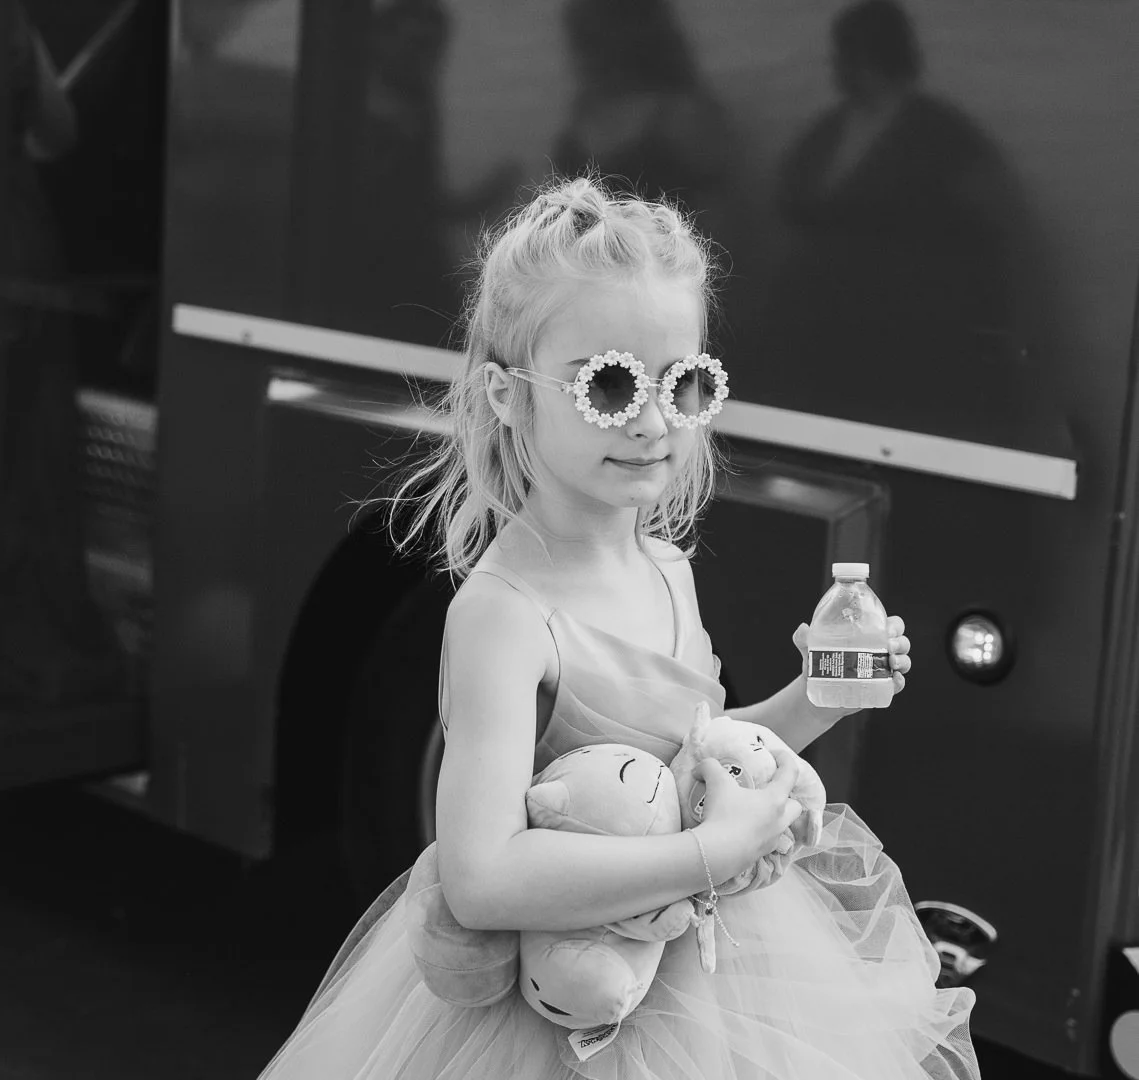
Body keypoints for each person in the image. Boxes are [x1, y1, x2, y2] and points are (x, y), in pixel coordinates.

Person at [258, 176, 980, 1079]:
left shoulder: (663, 565)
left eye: (684, 384)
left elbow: (698, 757)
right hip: (557, 1011)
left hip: (704, 966)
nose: (652, 422)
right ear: (505, 396)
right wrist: (709, 852)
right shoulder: (502, 613)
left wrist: (815, 700)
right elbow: (482, 878)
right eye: (608, 383)